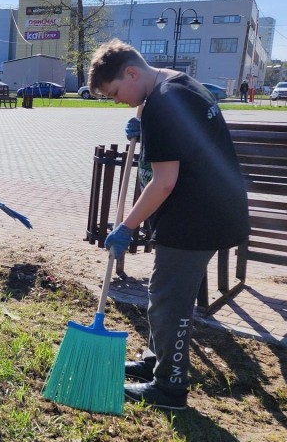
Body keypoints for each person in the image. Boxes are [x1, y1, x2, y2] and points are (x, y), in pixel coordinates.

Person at [89, 40, 249, 410]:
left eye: (115, 93)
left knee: (168, 301)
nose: (118, 101)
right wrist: (145, 129)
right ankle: (155, 361)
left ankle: (170, 386)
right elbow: (186, 140)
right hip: (211, 208)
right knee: (166, 295)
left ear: (131, 72)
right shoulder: (178, 86)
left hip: (195, 216)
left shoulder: (161, 104)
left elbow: (164, 182)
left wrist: (127, 227)